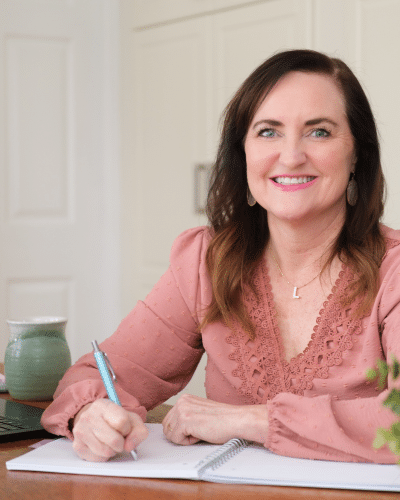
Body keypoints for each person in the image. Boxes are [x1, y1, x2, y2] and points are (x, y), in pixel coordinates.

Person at [42, 49, 400, 464]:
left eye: (318, 131)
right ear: (242, 152)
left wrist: (253, 421)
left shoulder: (393, 270)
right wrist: (90, 414)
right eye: (268, 131)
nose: (291, 155)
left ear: (357, 152)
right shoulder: (204, 262)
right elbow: (94, 375)